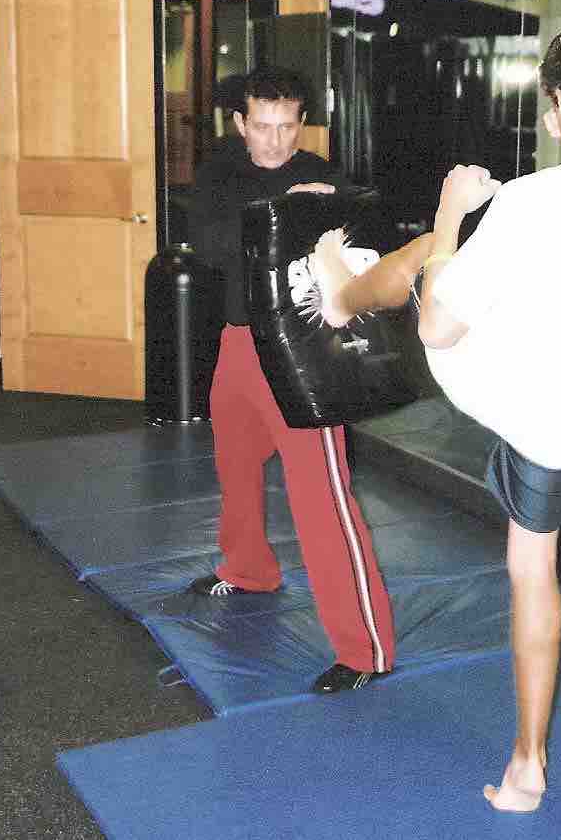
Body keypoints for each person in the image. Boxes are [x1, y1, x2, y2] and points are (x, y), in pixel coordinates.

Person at [309, 19, 561, 808]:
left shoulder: (532, 199)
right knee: (532, 570)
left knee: (420, 258)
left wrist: (451, 211)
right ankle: (527, 769)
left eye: (553, 108)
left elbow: (435, 329)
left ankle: (336, 291)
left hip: (477, 372)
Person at [184, 66, 396, 694]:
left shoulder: (328, 179)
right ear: (240, 123)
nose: (274, 142)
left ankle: (366, 649)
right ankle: (248, 569)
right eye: (262, 127)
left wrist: (311, 208)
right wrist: (286, 210)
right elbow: (212, 245)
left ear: (301, 123)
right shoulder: (222, 171)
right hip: (238, 341)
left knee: (322, 494)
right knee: (235, 463)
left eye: (286, 127)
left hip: (302, 351)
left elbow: (360, 251)